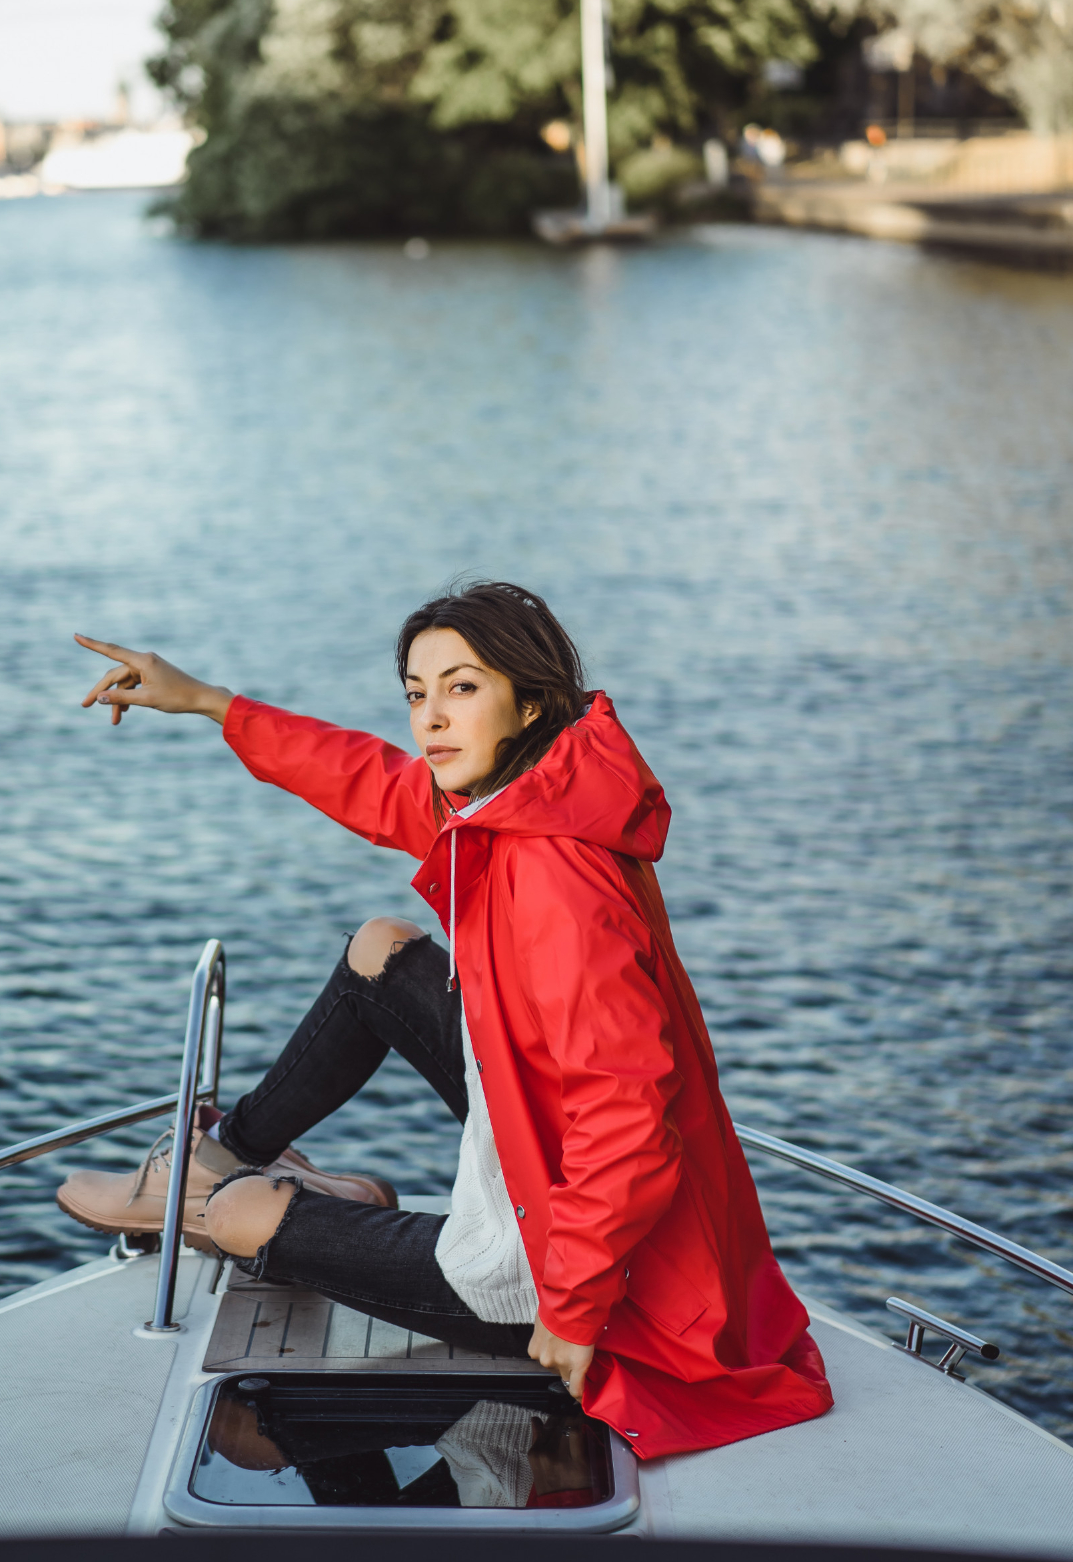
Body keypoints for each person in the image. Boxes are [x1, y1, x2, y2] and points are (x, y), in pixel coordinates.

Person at [59, 581, 833, 1458]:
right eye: (418, 695)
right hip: (547, 1161)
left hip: (605, 1289)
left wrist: (574, 1313)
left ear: (529, 700)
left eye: (462, 688)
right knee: (380, 951)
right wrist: (207, 701)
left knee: (238, 1219)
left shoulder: (555, 879)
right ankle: (213, 1163)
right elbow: (369, 779)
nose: (430, 719)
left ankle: (237, 1191)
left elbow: (626, 1122)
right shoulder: (523, 801)